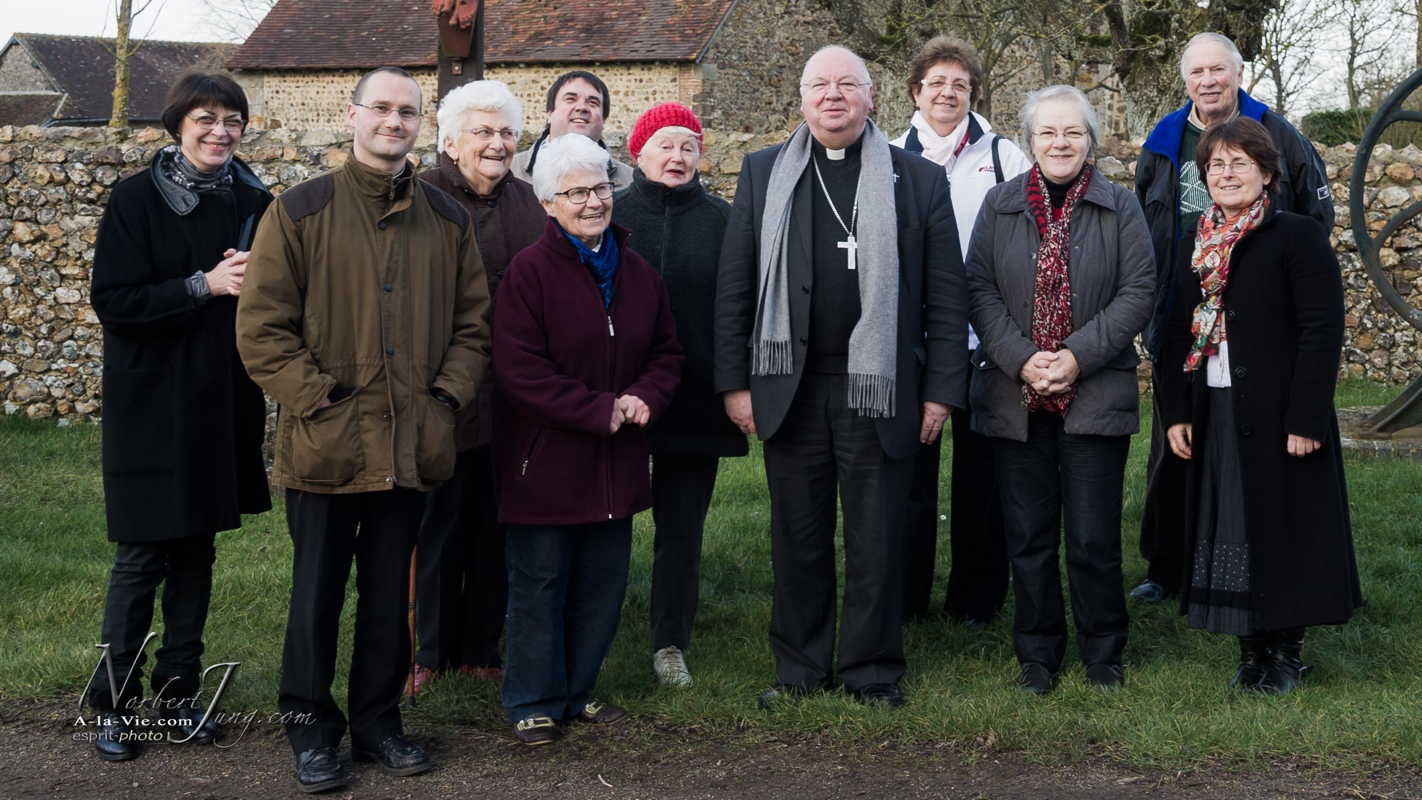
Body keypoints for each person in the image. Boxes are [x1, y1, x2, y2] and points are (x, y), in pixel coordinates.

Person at [237, 66, 490, 792]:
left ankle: (379, 722)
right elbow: (261, 329)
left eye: (407, 112)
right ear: (352, 116)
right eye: (380, 108)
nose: (393, 122)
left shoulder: (447, 219)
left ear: (422, 124)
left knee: (388, 593)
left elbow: (474, 325)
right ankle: (310, 727)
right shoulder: (300, 210)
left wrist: (445, 399)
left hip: (413, 441)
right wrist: (321, 400)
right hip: (326, 442)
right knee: (315, 592)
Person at [715, 45, 968, 710]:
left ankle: (872, 671)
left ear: (872, 96)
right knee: (797, 538)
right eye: (820, 85)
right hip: (790, 386)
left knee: (878, 538)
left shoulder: (916, 180)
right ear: (801, 99)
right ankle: (797, 670)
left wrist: (942, 389)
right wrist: (736, 384)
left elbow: (945, 297)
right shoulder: (764, 171)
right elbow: (736, 284)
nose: (834, 96)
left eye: (847, 85)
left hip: (880, 389)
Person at [86, 72, 272, 762]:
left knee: (197, 550)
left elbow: (273, 295)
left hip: (220, 399)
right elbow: (116, 300)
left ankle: (178, 695)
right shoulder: (134, 199)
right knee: (141, 557)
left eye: (232, 119)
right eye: (206, 118)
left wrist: (256, 281)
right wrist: (204, 285)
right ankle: (114, 704)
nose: (220, 131)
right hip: (149, 402)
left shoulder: (255, 201)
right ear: (177, 125)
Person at [1156, 118, 1360, 693]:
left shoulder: (1296, 236)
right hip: (1215, 406)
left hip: (1281, 414)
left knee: (1286, 527)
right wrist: (1176, 411)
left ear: (1266, 174)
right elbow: (1173, 330)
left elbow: (1322, 330)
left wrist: (1307, 417)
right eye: (1216, 165)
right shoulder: (1195, 240)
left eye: (1239, 163)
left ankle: (1288, 652)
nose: (1226, 174)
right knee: (1233, 525)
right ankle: (1251, 652)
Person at [1132, 32, 1333, 604]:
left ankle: (1270, 573)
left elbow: (1315, 213)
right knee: (1176, 439)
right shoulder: (1163, 140)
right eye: (1197, 72)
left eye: (1219, 69)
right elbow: (1145, 218)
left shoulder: (1278, 133)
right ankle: (1168, 566)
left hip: (1259, 316)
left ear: (1238, 74)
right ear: (1185, 80)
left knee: (1260, 452)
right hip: (1182, 301)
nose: (1208, 81)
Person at [495, 133, 682, 746]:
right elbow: (520, 370)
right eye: (575, 193)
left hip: (617, 459)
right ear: (549, 204)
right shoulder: (528, 272)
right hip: (546, 461)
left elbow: (665, 353)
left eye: (600, 188)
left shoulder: (638, 272)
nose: (592, 202)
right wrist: (597, 408)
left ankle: (577, 693)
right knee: (541, 583)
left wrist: (644, 398)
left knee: (602, 583)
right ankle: (532, 700)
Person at [966, 85, 1154, 694]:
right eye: (1047, 132)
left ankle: (1104, 652)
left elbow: (1138, 292)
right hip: (1016, 398)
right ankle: (1038, 655)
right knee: (1028, 535)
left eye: (1073, 132)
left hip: (1094, 394)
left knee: (1095, 536)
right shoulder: (998, 206)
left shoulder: (1120, 206)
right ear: (1029, 141)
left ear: (1090, 140)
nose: (1060, 142)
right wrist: (1024, 360)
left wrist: (1075, 357)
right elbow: (979, 290)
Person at [890, 35, 1031, 626]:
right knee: (909, 474)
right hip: (914, 340)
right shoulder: (887, 154)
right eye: (937, 83)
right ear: (916, 92)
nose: (948, 93)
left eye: (961, 85)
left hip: (987, 341)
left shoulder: (1005, 157)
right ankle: (907, 598)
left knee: (982, 477)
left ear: (973, 93)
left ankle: (975, 601)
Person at [410, 79, 544, 693]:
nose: (497, 143)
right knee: (437, 528)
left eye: (506, 132)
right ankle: (428, 652)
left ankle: (480, 647)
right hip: (440, 389)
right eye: (483, 132)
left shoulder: (528, 202)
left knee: (497, 524)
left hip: (512, 393)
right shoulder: (421, 196)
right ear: (450, 140)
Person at [612, 103, 749, 688]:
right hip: (617, 397)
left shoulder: (724, 221)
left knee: (681, 527)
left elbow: (739, 310)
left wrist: (735, 386)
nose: (678, 156)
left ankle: (669, 640)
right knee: (604, 517)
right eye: (665, 145)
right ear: (638, 152)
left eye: (689, 146)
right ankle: (593, 627)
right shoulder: (611, 215)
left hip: (694, 396)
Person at [511, 70, 634, 190]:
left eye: (593, 102)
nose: (581, 107)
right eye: (570, 99)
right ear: (550, 113)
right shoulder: (511, 172)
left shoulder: (630, 182)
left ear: (604, 119)